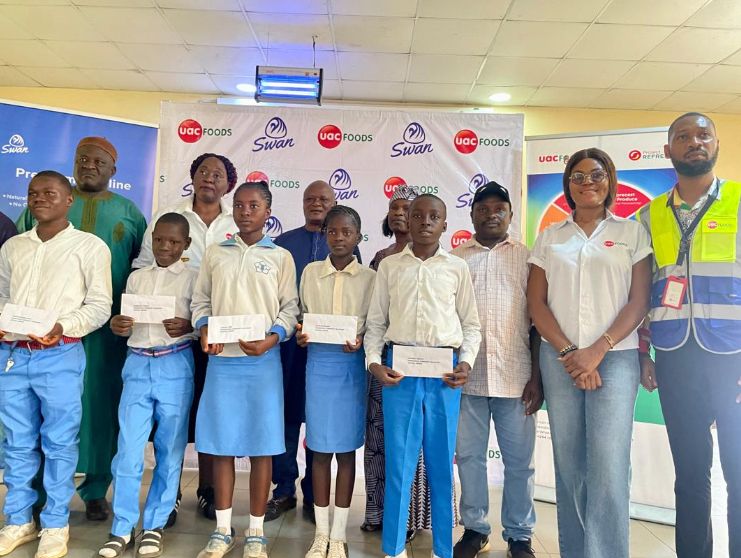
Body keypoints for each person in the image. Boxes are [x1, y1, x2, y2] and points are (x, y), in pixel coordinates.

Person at [526, 148, 652, 558]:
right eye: (577, 177)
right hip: (560, 357)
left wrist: (597, 350)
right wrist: (570, 353)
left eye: (596, 174)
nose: (587, 183)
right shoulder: (550, 237)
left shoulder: (632, 233)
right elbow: (536, 303)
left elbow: (639, 301)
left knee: (609, 466)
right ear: (568, 186)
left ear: (610, 180)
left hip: (615, 359)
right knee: (570, 464)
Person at [17, 137, 147, 521]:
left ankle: (94, 489)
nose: (89, 166)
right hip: (46, 332)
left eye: (99, 162)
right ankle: (39, 493)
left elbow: (141, 268)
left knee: (101, 407)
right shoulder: (48, 203)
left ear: (113, 171)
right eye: (82, 160)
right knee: (43, 410)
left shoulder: (128, 212)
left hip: (107, 333)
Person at [637, 112, 741, 558]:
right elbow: (639, 293)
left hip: (733, 358)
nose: (694, 142)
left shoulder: (738, 201)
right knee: (691, 473)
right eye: (683, 137)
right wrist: (644, 354)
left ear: (717, 144)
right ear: (668, 151)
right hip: (675, 357)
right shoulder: (647, 215)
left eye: (703, 135)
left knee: (738, 472)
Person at [0, 171, 112, 558]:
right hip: (13, 357)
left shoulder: (89, 247)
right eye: (33, 194)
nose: (39, 199)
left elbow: (99, 306)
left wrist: (64, 326)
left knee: (60, 443)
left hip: (60, 354)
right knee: (16, 442)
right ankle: (18, 520)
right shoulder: (13, 247)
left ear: (69, 201)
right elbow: (2, 297)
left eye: (49, 193)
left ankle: (55, 524)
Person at [365, 194, 481, 558]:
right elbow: (375, 323)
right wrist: (373, 362)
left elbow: (471, 325)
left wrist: (467, 363)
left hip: (444, 374)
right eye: (418, 215)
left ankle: (443, 551)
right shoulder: (389, 267)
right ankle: (394, 548)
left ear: (446, 224)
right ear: (407, 221)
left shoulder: (456, 268)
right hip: (400, 371)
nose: (425, 222)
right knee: (399, 463)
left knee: (441, 463)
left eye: (434, 216)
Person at [192, 181, 299, 558]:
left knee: (261, 448)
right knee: (221, 447)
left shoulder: (280, 257)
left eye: (254, 205)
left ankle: (256, 531)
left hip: (262, 363)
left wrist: (273, 337)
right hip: (222, 363)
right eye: (239, 204)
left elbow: (290, 309)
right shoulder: (215, 253)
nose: (245, 210)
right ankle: (222, 530)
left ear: (268, 212)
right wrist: (204, 327)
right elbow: (200, 299)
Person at [133, 152, 239, 525]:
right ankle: (170, 492)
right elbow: (145, 267)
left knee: (210, 413)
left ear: (229, 184)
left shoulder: (237, 220)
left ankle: (208, 490)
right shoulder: (168, 217)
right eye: (204, 172)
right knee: (172, 419)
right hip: (169, 334)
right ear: (192, 176)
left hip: (220, 333)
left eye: (219, 174)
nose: (210, 178)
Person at [98, 213, 198, 558]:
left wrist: (189, 326)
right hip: (138, 363)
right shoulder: (137, 278)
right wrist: (119, 325)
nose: (165, 247)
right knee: (128, 449)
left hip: (175, 362)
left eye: (174, 242)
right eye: (160, 240)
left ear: (186, 245)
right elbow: (124, 322)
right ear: (151, 240)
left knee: (170, 450)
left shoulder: (194, 279)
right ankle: (122, 527)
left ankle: (154, 524)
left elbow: (203, 322)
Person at [452, 182, 542, 558]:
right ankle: (475, 529)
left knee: (519, 464)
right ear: (472, 214)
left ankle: (519, 534)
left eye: (498, 209)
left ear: (510, 214)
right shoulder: (455, 259)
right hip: (465, 377)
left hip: (517, 378)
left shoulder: (528, 258)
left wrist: (537, 378)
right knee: (470, 458)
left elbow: (538, 321)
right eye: (483, 208)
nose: (491, 214)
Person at [267, 181, 360, 523]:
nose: (316, 203)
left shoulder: (349, 249)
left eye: (324, 199)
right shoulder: (284, 244)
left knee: (323, 425)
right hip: (293, 346)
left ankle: (314, 494)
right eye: (310, 199)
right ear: (302, 204)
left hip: (336, 356)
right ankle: (284, 488)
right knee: (289, 417)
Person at [297, 206, 376, 558]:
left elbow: (376, 325)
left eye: (347, 232)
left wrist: (362, 341)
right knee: (318, 450)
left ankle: (340, 535)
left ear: (358, 236)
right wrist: (301, 334)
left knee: (345, 452)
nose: (339, 238)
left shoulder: (370, 278)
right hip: (319, 366)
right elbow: (302, 316)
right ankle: (321, 533)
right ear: (324, 234)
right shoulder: (311, 273)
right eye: (333, 231)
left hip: (351, 367)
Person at [364, 185, 442, 541]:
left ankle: (414, 518)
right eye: (395, 208)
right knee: (385, 443)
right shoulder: (382, 259)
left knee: (424, 447)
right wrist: (374, 360)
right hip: (390, 367)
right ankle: (382, 514)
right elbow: (376, 317)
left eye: (406, 208)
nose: (401, 214)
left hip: (431, 369)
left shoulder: (446, 264)